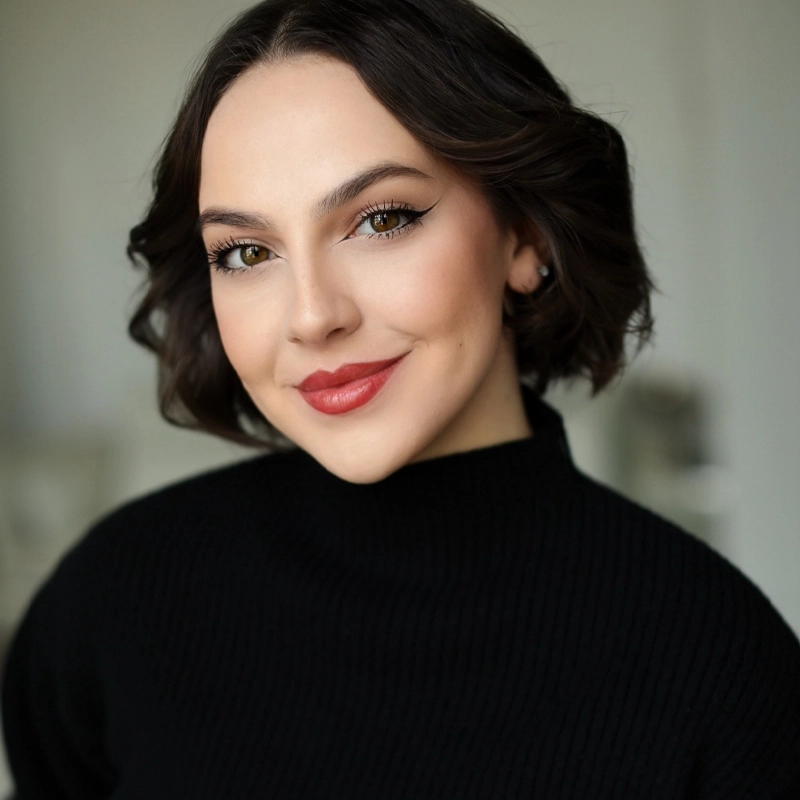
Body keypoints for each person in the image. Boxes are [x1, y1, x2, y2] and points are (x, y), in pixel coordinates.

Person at [2, 0, 799, 796]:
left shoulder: (716, 659)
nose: (314, 316)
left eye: (381, 219)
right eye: (247, 251)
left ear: (525, 237)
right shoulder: (110, 608)